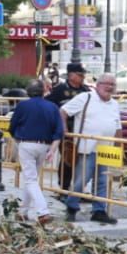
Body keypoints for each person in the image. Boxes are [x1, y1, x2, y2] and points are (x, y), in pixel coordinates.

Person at [60, 72, 122, 223]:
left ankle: (99, 211)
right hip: (87, 147)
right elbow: (63, 111)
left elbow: (117, 126)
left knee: (103, 181)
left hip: (107, 149)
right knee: (81, 180)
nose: (109, 87)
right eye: (106, 83)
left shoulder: (114, 104)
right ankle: (72, 207)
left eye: (112, 84)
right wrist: (64, 130)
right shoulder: (85, 97)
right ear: (98, 85)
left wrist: (119, 147)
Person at [7, 79, 64, 226]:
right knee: (31, 178)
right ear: (44, 91)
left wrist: (17, 139)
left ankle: (42, 211)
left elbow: (12, 126)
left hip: (26, 143)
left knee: (30, 179)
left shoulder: (22, 106)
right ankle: (23, 211)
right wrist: (53, 149)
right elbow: (58, 130)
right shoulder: (52, 107)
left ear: (27, 92)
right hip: (44, 145)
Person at [47, 61, 90, 198]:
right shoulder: (59, 90)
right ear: (71, 75)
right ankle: (64, 189)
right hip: (66, 130)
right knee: (67, 159)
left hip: (82, 131)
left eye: (83, 74)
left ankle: (78, 188)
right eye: (79, 74)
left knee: (82, 161)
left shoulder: (86, 91)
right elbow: (50, 107)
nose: (82, 77)